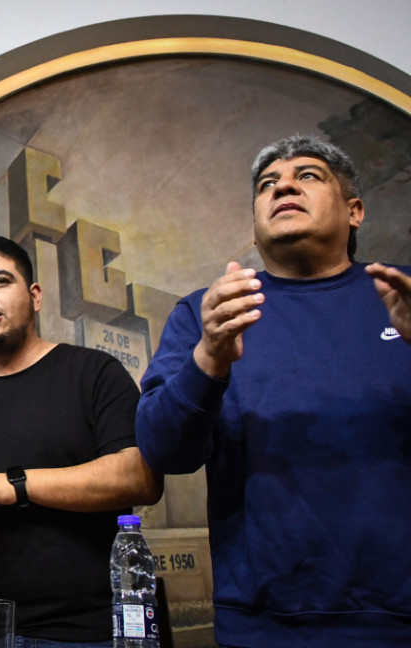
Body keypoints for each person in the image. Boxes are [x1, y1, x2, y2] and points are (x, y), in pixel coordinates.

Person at [136, 135, 411, 646]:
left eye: (308, 175)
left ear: (355, 211)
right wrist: (210, 357)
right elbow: (162, 450)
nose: (284, 184)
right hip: (264, 624)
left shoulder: (403, 294)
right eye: (268, 184)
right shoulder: (209, 312)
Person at [0, 235, 162, 648]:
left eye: (0, 281)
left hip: (76, 634)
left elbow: (140, 477)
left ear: (35, 296)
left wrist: (14, 484)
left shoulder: (93, 374)